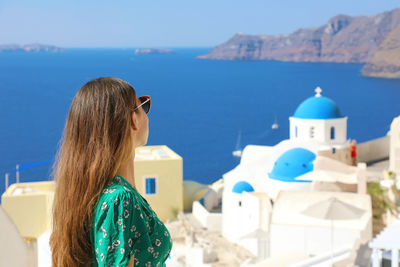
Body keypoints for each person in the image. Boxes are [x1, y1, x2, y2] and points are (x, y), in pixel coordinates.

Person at [50, 77, 172, 267]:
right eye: (143, 105)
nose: (146, 112)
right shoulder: (120, 199)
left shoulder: (96, 191)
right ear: (133, 120)